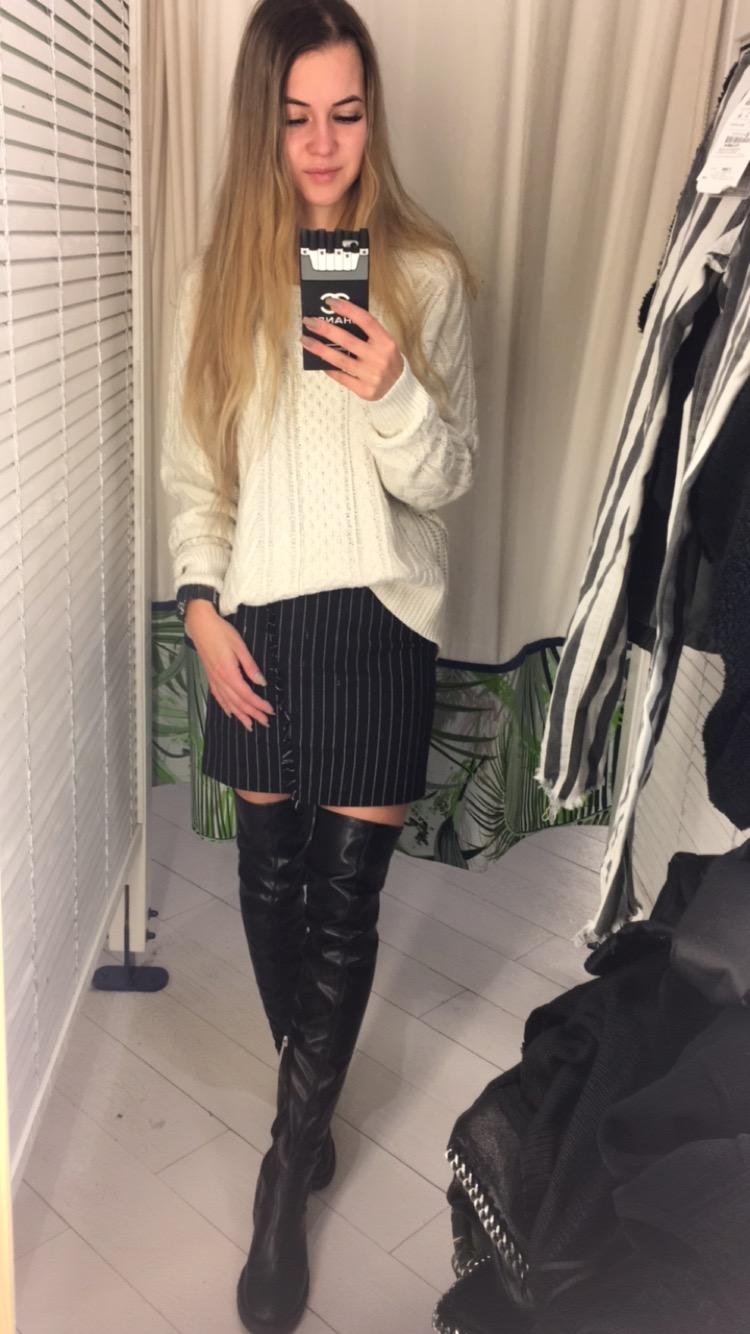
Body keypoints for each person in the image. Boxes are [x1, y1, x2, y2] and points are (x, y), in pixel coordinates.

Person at [160, 1, 479, 1329]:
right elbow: (197, 480)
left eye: (345, 113)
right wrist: (198, 606)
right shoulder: (215, 283)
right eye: (295, 116)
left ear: (372, 115)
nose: (323, 143)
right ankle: (313, 1109)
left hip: (377, 622)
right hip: (255, 623)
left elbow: (446, 481)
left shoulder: (425, 275)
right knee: (268, 888)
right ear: (263, 122)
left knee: (344, 909)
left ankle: (285, 1172)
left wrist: (392, 390)